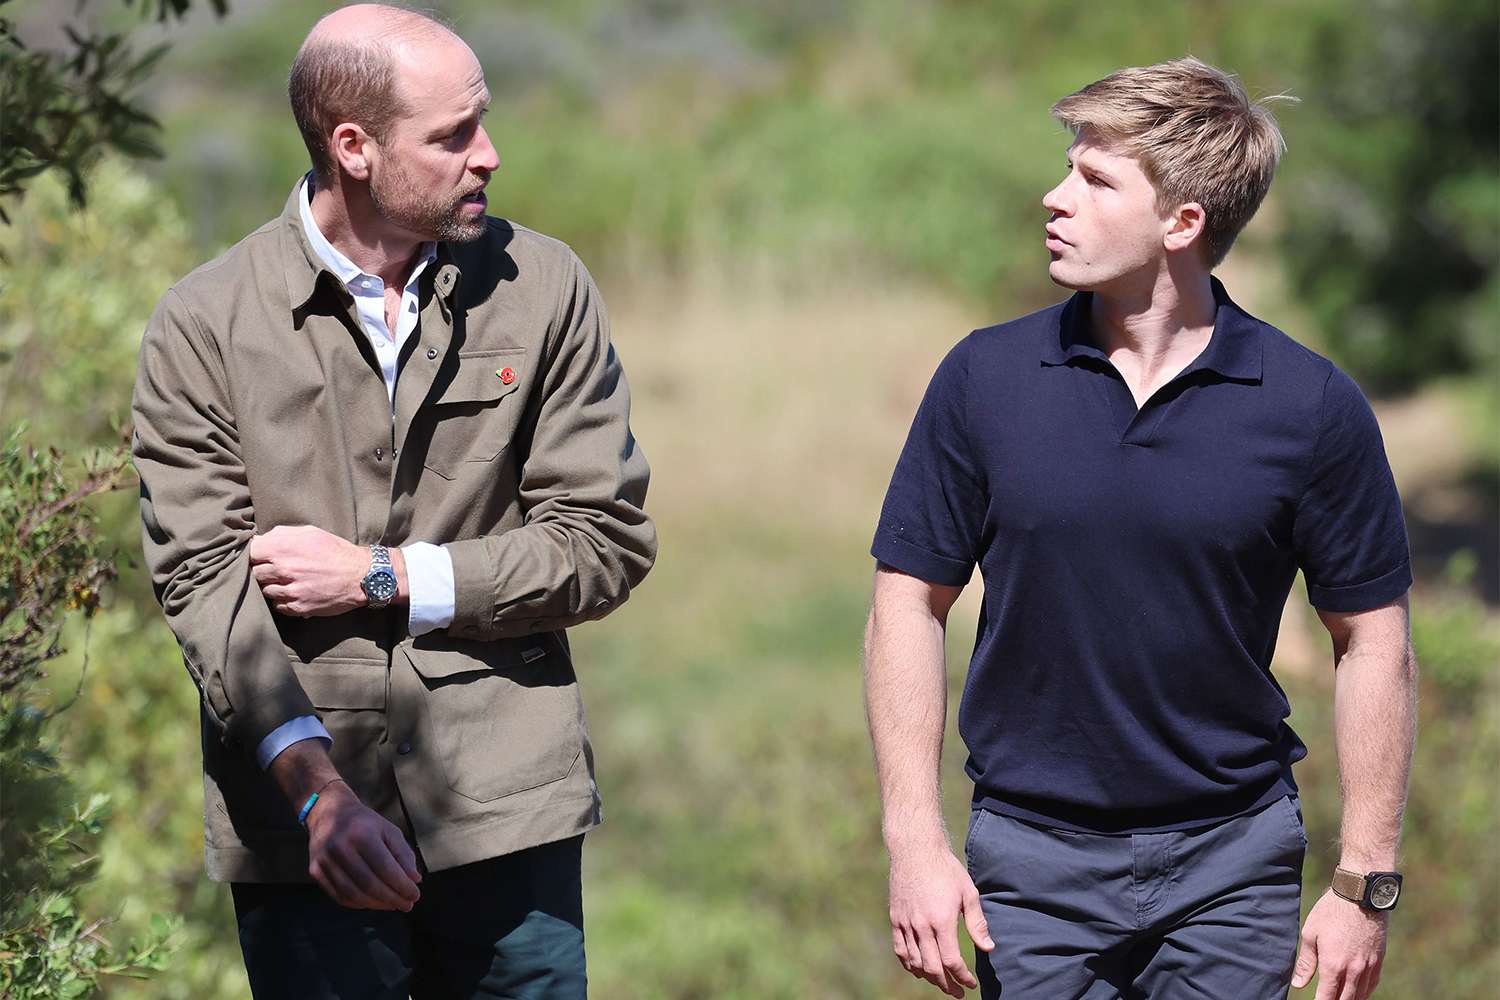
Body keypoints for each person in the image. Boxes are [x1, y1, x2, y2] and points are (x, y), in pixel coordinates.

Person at [131, 5, 655, 997]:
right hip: (302, 836)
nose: (488, 154)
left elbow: (604, 540)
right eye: (453, 134)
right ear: (354, 148)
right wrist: (316, 791)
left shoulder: (542, 288)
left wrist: (387, 575)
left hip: (510, 808)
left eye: (483, 121)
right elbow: (205, 583)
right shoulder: (201, 323)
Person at [864, 57, 1415, 1000]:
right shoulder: (984, 380)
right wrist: (915, 841)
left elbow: (1374, 642)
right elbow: (907, 604)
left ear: (1183, 223)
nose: (1055, 196)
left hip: (1233, 865)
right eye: (1067, 166)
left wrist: (1364, 884)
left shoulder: (1310, 405)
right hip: (1028, 867)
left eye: (1094, 178)